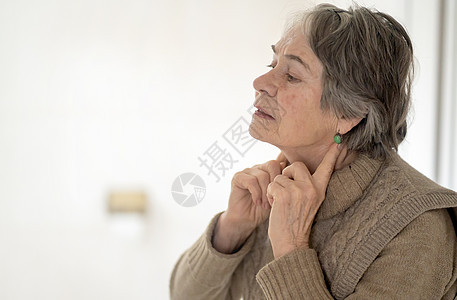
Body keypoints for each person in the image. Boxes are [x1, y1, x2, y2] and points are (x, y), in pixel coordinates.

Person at [170, 4, 457, 299]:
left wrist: (290, 250)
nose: (260, 83)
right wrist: (231, 229)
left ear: (349, 113)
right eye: (272, 65)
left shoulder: (417, 228)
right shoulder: (276, 191)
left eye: (292, 75)